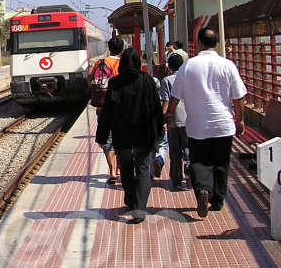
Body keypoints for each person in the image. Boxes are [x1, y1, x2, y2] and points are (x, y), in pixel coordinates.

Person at [165, 28, 246, 218]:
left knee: (199, 161)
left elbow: (175, 96)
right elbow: (239, 97)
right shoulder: (228, 65)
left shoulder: (188, 66)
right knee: (221, 163)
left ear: (199, 43)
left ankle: (203, 189)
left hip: (197, 126)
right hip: (223, 125)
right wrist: (240, 119)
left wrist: (169, 115)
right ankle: (217, 201)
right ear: (216, 43)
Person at [96, 47, 164, 224]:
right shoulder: (147, 80)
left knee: (125, 169)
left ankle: (130, 200)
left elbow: (108, 112)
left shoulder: (115, 83)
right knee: (143, 169)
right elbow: (156, 107)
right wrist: (160, 130)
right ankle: (139, 209)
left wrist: (102, 136)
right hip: (144, 134)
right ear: (138, 62)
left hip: (122, 135)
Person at [89, 36, 124, 184]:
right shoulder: (123, 64)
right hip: (120, 106)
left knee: (107, 138)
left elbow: (90, 79)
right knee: (121, 137)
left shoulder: (101, 63)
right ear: (122, 49)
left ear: (109, 48)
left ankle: (111, 172)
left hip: (102, 106)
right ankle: (119, 169)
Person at [160, 52, 189, 191]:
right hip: (189, 119)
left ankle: (176, 180)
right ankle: (190, 174)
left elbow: (166, 101)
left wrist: (163, 119)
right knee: (189, 150)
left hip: (173, 120)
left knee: (175, 153)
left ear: (169, 66)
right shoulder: (188, 78)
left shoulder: (166, 80)